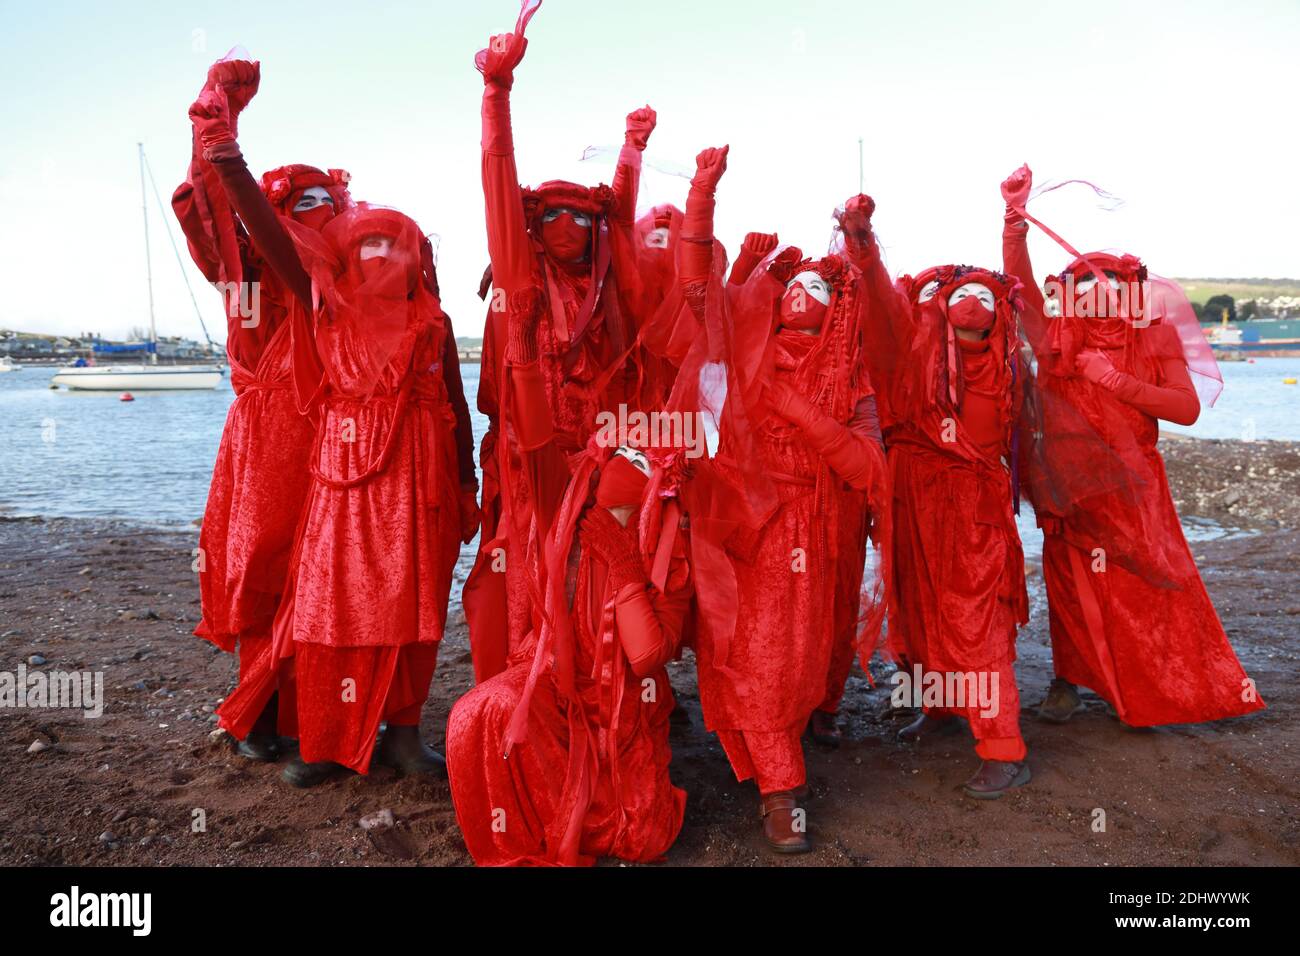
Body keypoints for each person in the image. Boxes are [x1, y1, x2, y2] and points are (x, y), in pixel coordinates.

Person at [1000, 164, 1265, 729]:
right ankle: (1068, 682)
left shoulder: (1153, 336)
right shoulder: (1056, 337)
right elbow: (1018, 289)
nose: (1095, 292)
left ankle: (1151, 686)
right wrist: (1014, 223)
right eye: (1083, 283)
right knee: (1070, 586)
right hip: (1069, 488)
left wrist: (1113, 380)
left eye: (1108, 283)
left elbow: (1186, 408)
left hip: (1135, 484)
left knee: (1147, 583)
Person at [678, 146, 888, 852]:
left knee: (794, 658)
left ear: (839, 311)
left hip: (813, 531)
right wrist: (703, 194)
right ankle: (780, 789)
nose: (803, 294)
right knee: (753, 654)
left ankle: (782, 756)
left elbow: (868, 470)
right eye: (792, 286)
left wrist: (799, 411)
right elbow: (699, 287)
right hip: (740, 526)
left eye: (821, 290)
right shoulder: (741, 353)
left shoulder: (852, 377)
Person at [446, 279, 692, 864]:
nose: (616, 463)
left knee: (639, 839)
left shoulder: (671, 553)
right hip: (552, 681)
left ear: (664, 484)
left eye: (640, 458)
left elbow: (648, 658)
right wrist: (525, 347)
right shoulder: (568, 513)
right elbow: (533, 439)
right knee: (479, 712)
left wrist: (625, 567)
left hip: (623, 710)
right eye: (614, 453)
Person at [463, 4, 665, 685]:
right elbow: (495, 183)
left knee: (614, 582)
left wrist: (632, 148)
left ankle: (615, 700)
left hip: (606, 460)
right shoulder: (522, 286)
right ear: (532, 224)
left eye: (582, 215)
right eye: (552, 214)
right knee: (526, 584)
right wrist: (496, 93)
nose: (571, 224)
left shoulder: (612, 287)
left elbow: (623, 220)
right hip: (532, 464)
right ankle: (532, 698)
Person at [173, 57, 355, 762]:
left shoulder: (341, 282)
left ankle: (305, 715)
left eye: (328, 201)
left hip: (333, 436)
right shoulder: (247, 274)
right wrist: (217, 128)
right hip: (270, 437)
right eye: (302, 203)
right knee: (261, 570)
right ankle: (257, 713)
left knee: (325, 576)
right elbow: (219, 215)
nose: (322, 214)